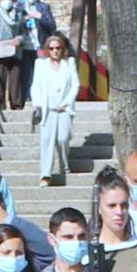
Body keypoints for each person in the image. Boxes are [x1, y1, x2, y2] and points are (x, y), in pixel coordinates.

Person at [26, 30, 86, 181]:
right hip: (48, 108)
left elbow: (75, 85)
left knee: (63, 138)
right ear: (47, 50)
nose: (55, 51)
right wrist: (37, 104)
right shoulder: (40, 64)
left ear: (62, 49)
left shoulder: (69, 63)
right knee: (46, 140)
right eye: (51, 48)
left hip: (64, 108)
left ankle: (64, 165)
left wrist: (66, 103)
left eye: (58, 48)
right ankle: (45, 174)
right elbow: (36, 86)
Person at [0, 0, 34, 113]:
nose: (7, 1)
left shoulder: (19, 12)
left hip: (15, 49)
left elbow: (24, 31)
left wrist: (19, 39)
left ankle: (16, 106)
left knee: (16, 78)